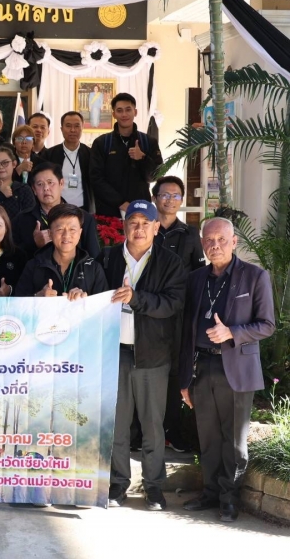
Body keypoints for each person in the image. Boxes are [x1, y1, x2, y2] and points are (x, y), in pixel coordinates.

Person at [179, 218, 275, 522]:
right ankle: (209, 493)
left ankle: (229, 499)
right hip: (202, 366)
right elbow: (186, 331)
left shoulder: (255, 276)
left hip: (236, 366)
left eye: (222, 239)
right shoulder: (196, 278)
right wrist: (184, 378)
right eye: (209, 240)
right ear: (202, 243)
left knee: (233, 441)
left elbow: (267, 325)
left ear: (234, 242)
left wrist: (232, 332)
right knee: (207, 437)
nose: (215, 245)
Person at [100, 200, 186, 511]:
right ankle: (117, 485)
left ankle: (154, 488)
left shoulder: (170, 262)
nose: (139, 228)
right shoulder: (108, 257)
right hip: (115, 352)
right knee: (117, 425)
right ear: (124, 226)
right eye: (133, 222)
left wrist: (137, 299)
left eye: (145, 222)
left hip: (152, 355)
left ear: (156, 226)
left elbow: (172, 304)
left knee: (152, 426)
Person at [152, 175, 205, 454]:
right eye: (165, 194)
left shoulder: (190, 234)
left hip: (178, 314)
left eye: (175, 196)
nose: (170, 200)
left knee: (174, 372)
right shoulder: (146, 229)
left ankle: (170, 430)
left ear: (181, 201)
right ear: (155, 198)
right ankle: (143, 431)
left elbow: (199, 274)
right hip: (147, 311)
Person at [11, 162, 100, 273]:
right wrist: (34, 244)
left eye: (50, 183)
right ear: (33, 189)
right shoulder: (22, 220)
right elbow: (13, 260)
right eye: (40, 184)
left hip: (75, 279)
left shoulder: (84, 218)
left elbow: (94, 258)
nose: (46, 188)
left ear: (61, 183)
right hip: (36, 279)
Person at [90, 92, 163, 217]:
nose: (124, 114)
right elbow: (96, 179)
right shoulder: (102, 143)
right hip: (108, 211)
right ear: (114, 114)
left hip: (140, 209)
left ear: (135, 112)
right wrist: (120, 203)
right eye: (119, 110)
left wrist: (142, 158)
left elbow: (155, 176)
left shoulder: (148, 141)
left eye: (128, 110)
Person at [16, 204, 108, 298]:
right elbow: (18, 303)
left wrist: (84, 301)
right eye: (60, 229)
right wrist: (38, 297)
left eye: (72, 229)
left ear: (80, 233)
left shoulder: (93, 269)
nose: (66, 235)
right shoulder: (33, 266)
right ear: (50, 233)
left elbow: (103, 305)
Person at [38, 111, 92, 211]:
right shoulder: (49, 155)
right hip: (56, 209)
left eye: (77, 126)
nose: (72, 130)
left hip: (84, 209)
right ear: (61, 129)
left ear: (82, 128)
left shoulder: (91, 154)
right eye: (68, 126)